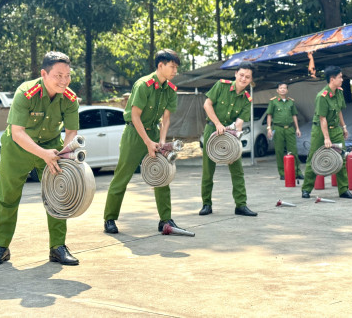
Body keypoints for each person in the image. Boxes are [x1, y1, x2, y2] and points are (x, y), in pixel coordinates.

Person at [0, 51, 80, 267]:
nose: (64, 81)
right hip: (17, 147)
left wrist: (63, 154)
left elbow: (71, 131)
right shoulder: (25, 93)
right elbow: (17, 132)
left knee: (58, 194)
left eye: (67, 75)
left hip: (51, 146)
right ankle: (1, 247)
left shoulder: (70, 98)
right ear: (44, 74)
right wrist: (43, 154)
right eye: (58, 75)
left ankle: (58, 247)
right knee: (8, 197)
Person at [103, 49, 182, 234]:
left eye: (176, 67)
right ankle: (109, 219)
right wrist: (147, 142)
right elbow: (136, 116)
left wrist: (161, 141)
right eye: (172, 66)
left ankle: (165, 220)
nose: (175, 71)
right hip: (134, 134)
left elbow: (166, 118)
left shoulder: (170, 89)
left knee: (162, 176)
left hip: (154, 132)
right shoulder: (143, 85)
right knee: (122, 177)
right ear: (160, 65)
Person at [199, 61, 258, 217]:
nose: (243, 79)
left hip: (230, 134)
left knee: (237, 169)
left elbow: (239, 124)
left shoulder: (247, 99)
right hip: (212, 129)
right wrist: (218, 124)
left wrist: (234, 140)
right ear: (235, 74)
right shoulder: (221, 85)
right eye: (241, 75)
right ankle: (206, 204)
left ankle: (241, 205)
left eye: (247, 77)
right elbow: (207, 104)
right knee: (208, 169)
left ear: (251, 80)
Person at [301, 66, 352, 199]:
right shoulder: (322, 96)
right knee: (313, 158)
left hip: (335, 129)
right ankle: (306, 189)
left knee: (341, 158)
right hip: (321, 130)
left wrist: (344, 127)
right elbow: (322, 118)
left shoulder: (339, 92)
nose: (342, 80)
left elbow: (339, 111)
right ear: (332, 79)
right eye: (340, 77)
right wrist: (326, 138)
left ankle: (343, 190)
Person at [266, 83, 303, 180]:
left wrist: (297, 128)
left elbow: (294, 115)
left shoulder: (291, 102)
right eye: (280, 88)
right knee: (279, 151)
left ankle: (297, 171)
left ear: (287, 90)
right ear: (277, 90)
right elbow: (269, 115)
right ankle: (282, 173)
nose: (282, 90)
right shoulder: (273, 102)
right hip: (278, 128)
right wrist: (269, 128)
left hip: (290, 128)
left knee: (293, 150)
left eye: (284, 88)